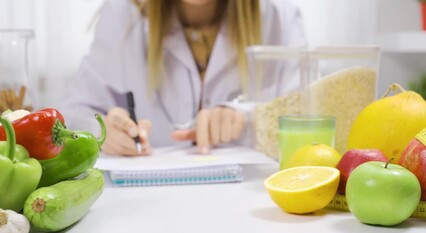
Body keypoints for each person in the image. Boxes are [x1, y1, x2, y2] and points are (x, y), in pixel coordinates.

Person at [58, 0, 306, 156]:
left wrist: (246, 119)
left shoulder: (279, 17)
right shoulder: (124, 13)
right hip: (146, 202)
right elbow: (71, 112)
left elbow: (309, 116)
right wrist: (101, 130)